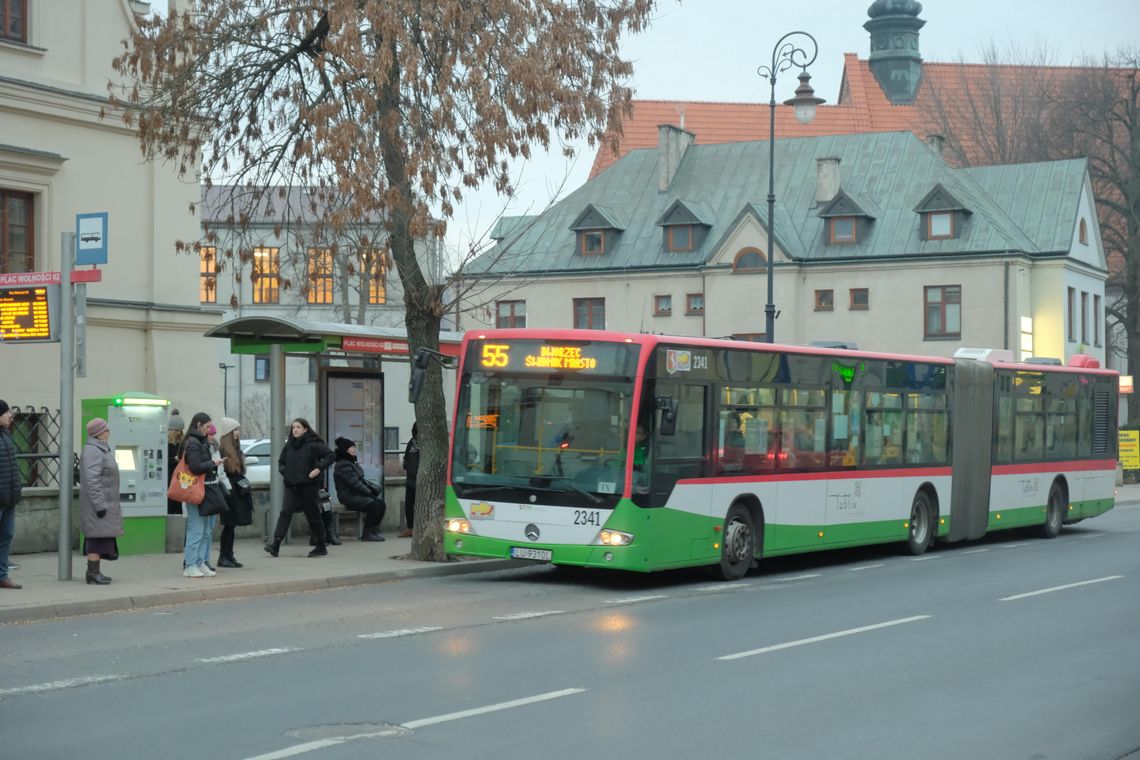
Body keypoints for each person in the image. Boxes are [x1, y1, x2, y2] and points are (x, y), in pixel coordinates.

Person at [265, 418, 334, 558]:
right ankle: (276, 544)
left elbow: (331, 455)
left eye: (298, 427)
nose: (295, 430)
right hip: (291, 485)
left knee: (312, 515)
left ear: (305, 429)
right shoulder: (289, 445)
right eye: (293, 427)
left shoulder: (313, 444)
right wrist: (285, 472)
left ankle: (321, 545)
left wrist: (318, 469)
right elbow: (281, 462)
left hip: (308, 485)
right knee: (285, 512)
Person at [180, 412, 227, 578]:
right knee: (197, 529)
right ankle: (191, 565)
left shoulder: (197, 441)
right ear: (199, 424)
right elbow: (194, 467)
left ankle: (199, 563)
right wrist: (213, 463)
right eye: (207, 427)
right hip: (197, 491)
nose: (209, 431)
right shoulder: (193, 442)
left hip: (204, 489)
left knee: (205, 530)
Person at [79, 417, 123, 585]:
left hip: (103, 502)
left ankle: (95, 572)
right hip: (98, 504)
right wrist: (99, 504)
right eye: (106, 430)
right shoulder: (94, 451)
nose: (108, 433)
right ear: (98, 433)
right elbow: (92, 480)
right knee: (95, 539)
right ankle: (92, 573)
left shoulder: (99, 449)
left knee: (100, 537)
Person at [216, 417, 253, 568]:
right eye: (235, 430)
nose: (237, 433)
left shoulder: (236, 448)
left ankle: (229, 555)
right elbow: (223, 472)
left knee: (232, 525)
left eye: (237, 430)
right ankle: (224, 556)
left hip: (237, 488)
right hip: (229, 489)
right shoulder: (223, 450)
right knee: (229, 523)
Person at [333, 437, 386, 542]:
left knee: (381, 504)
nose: (354, 449)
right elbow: (355, 483)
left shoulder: (352, 462)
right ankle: (367, 533)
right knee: (374, 505)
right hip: (348, 496)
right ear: (345, 450)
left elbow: (361, 480)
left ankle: (374, 530)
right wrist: (369, 494)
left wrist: (371, 489)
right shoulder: (342, 464)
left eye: (354, 447)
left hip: (356, 494)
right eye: (351, 447)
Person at [0, 399, 22, 589]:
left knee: (6, 535)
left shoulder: (6, 435)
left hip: (8, 498)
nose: (10, 416)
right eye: (7, 412)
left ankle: (2, 576)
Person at [400, 423, 419, 538]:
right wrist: (406, 465)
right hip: (410, 479)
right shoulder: (411, 442)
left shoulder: (427, 443)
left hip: (421, 480)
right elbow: (406, 458)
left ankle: (420, 528)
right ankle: (410, 528)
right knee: (409, 505)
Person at [166, 408, 185, 516]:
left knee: (178, 501)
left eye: (180, 431)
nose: (179, 433)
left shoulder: (182, 442)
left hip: (180, 476)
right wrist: (174, 459)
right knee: (171, 501)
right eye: (177, 431)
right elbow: (163, 461)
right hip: (170, 475)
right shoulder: (165, 443)